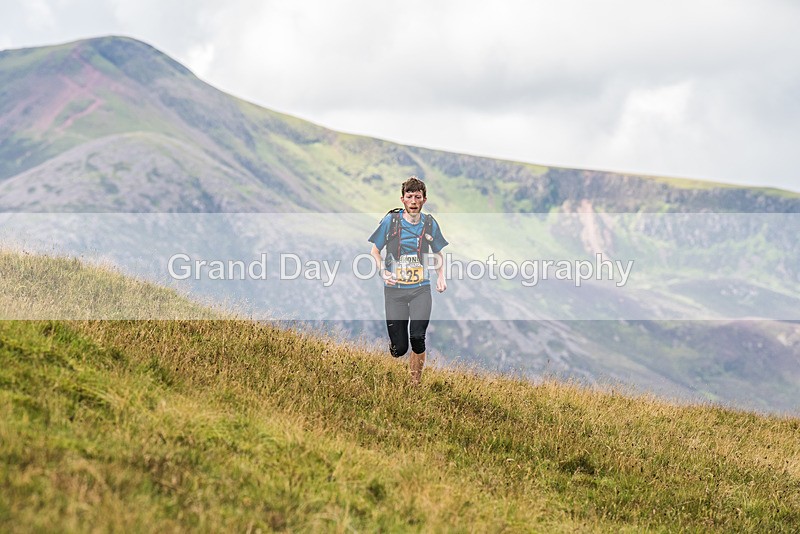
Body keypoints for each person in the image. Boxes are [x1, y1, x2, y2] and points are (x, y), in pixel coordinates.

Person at [368, 176, 448, 385]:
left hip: (421, 288)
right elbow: (375, 251)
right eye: (409, 196)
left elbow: (438, 253)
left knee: (418, 337)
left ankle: (414, 384)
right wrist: (382, 272)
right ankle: (394, 360)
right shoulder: (391, 221)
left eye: (417, 197)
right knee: (399, 349)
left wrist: (441, 276)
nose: (413, 201)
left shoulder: (430, 224)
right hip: (394, 291)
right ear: (402, 199)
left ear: (424, 200)